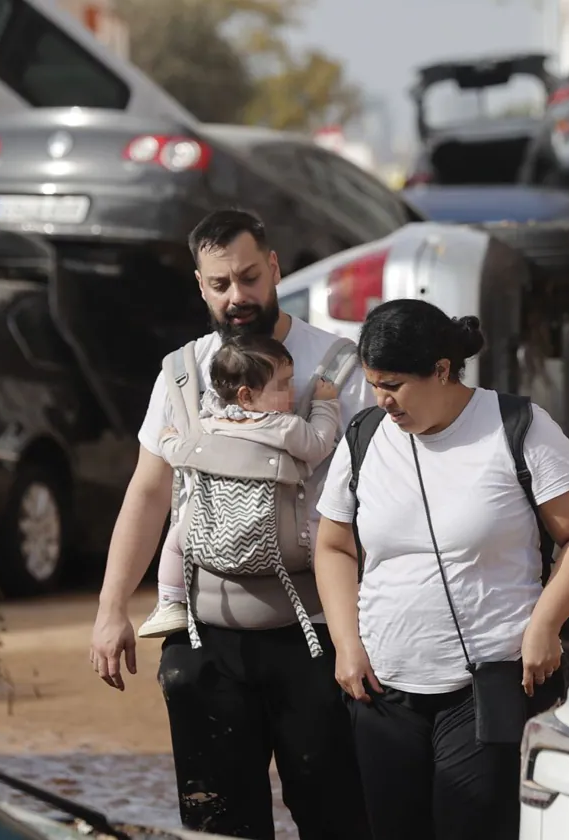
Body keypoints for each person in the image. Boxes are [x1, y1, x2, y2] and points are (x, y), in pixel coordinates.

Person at [89, 208, 373, 839]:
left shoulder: (336, 368)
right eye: (220, 285)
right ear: (200, 285)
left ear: (274, 269)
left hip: (318, 634)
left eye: (249, 278)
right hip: (205, 640)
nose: (237, 297)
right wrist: (112, 609)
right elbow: (148, 490)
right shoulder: (181, 373)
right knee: (217, 824)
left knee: (339, 818)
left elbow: (381, 496)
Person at [312, 299, 569, 840]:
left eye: (395, 385)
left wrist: (545, 624)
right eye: (376, 384)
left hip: (488, 685)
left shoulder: (518, 425)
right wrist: (346, 644)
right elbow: (333, 545)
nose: (383, 400)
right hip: (383, 689)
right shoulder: (364, 436)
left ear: (442, 371)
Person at [138, 333, 341, 642]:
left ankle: (170, 600)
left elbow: (178, 454)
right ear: (246, 396)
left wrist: (166, 438)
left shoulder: (208, 425)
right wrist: (325, 405)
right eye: (284, 384)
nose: (293, 390)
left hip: (211, 540)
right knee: (328, 544)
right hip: (281, 541)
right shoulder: (285, 427)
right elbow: (319, 444)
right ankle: (343, 597)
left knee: (177, 536)